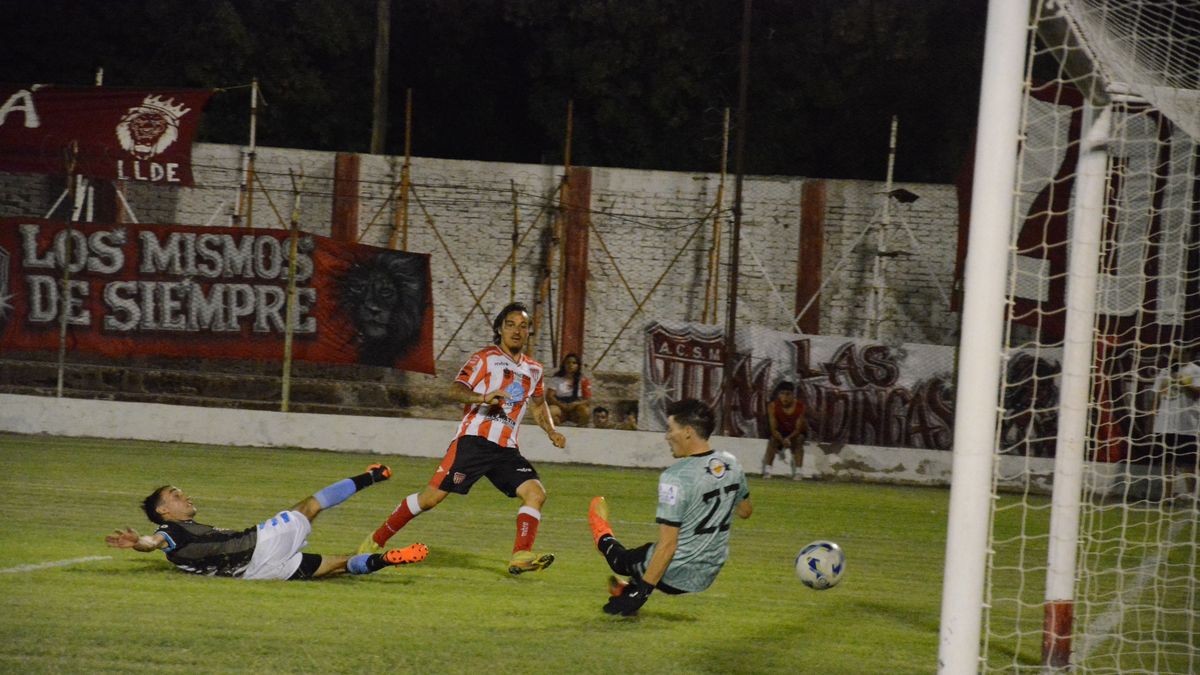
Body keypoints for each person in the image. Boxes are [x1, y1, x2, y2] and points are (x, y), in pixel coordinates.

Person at [361, 302, 567, 574]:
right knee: (430, 499)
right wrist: (482, 397)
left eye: (523, 325)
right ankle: (375, 541)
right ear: (499, 329)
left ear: (529, 332)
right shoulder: (484, 359)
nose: (517, 330)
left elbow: (538, 405)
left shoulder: (534, 370)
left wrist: (551, 430)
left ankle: (520, 555)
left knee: (535, 493)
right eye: (510, 324)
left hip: (506, 449)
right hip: (474, 442)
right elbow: (455, 390)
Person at [105, 464, 429, 580]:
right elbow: (154, 543)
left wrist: (145, 545)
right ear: (163, 511)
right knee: (309, 505)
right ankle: (372, 475)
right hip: (258, 546)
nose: (185, 496)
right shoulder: (169, 530)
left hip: (255, 574)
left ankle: (388, 559)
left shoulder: (184, 533)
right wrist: (139, 543)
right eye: (176, 495)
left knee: (340, 566)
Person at [587, 398, 753, 616]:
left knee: (621, 560)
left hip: (676, 573)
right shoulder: (732, 463)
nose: (666, 436)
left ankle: (602, 535)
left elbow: (668, 547)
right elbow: (745, 511)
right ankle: (627, 589)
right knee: (644, 560)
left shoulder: (675, 477)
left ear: (687, 432)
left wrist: (641, 595)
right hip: (709, 572)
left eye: (670, 429)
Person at [1151, 346, 1200, 504]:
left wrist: (1184, 382)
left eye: (1178, 352)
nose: (1174, 355)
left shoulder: (1195, 370)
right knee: (1167, 461)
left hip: (1187, 424)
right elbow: (1158, 394)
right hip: (1164, 423)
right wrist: (1153, 417)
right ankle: (1167, 495)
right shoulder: (1165, 371)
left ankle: (1192, 494)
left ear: (1187, 353)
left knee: (1188, 462)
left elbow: (1197, 392)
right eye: (1172, 352)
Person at [762, 381, 807, 479]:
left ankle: (799, 472)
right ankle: (767, 470)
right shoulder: (773, 406)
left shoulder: (800, 406)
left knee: (800, 439)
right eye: (782, 394)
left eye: (788, 394)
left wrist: (789, 439)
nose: (785, 397)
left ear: (792, 395)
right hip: (780, 432)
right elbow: (773, 429)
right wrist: (783, 440)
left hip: (794, 433)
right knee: (773, 440)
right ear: (778, 395)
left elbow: (798, 429)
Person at [546, 353, 593, 426]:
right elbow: (549, 396)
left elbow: (588, 399)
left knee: (586, 412)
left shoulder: (583, 380)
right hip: (559, 404)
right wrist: (562, 405)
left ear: (578, 365)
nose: (571, 365)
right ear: (564, 365)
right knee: (551, 412)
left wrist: (575, 404)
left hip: (575, 406)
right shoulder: (556, 379)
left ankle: (579, 431)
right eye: (568, 363)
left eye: (574, 363)